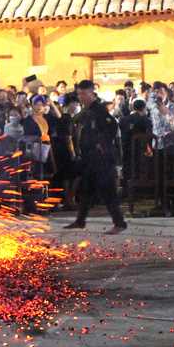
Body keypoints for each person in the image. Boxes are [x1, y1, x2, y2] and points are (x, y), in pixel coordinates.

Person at [63, 80, 127, 234]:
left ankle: (120, 223)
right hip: (89, 157)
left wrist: (102, 144)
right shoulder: (86, 111)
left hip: (102, 158)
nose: (81, 97)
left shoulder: (99, 110)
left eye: (84, 94)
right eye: (79, 94)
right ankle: (80, 221)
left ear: (92, 93)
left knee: (108, 191)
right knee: (86, 189)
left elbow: (111, 126)